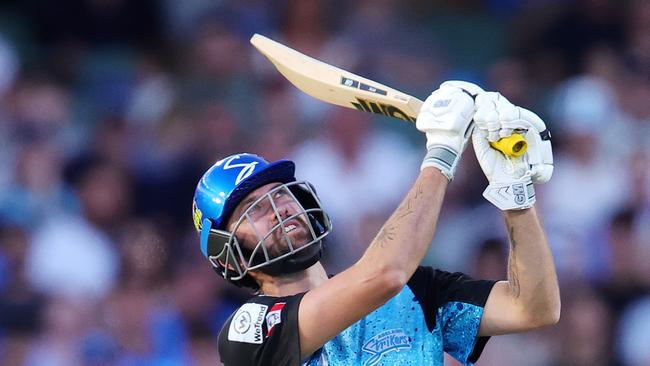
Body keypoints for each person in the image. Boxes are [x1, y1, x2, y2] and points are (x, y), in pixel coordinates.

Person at [191, 81, 560, 366]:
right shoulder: (246, 331)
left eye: (281, 194)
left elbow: (532, 307)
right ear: (227, 253)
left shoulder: (415, 292)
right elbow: (384, 275)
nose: (279, 208)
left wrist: (516, 195)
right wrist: (442, 154)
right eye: (254, 208)